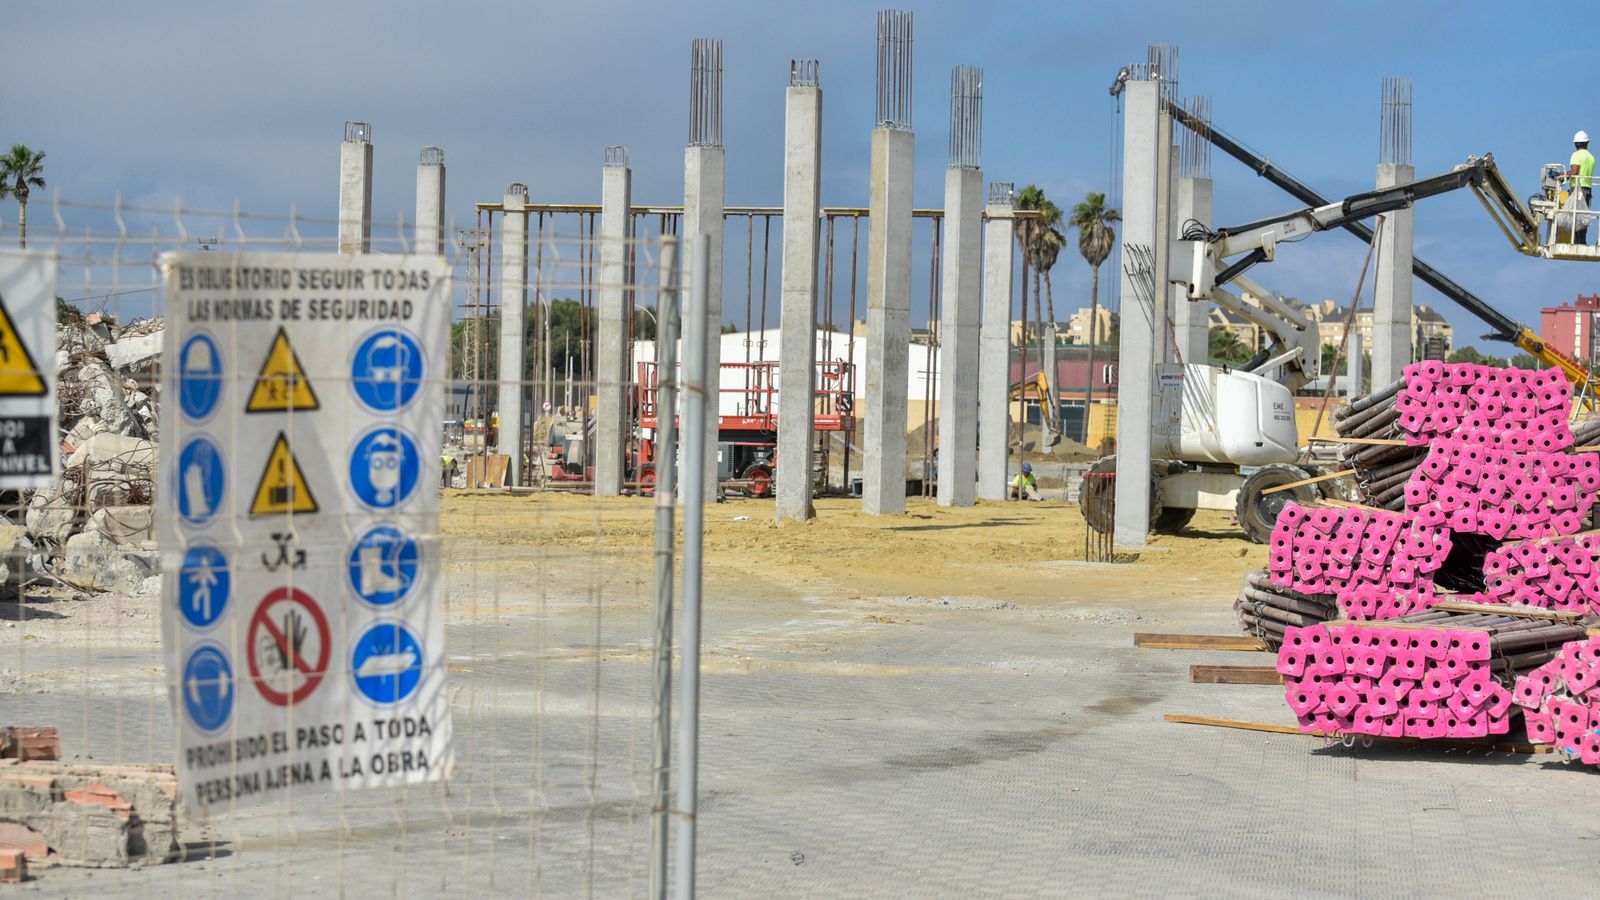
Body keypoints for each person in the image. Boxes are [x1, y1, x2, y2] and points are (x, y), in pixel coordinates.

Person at [1571, 130, 1595, 244]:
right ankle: (1582, 240)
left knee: (1574, 215)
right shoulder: (1591, 157)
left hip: (1577, 188)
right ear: (1587, 143)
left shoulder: (1576, 155)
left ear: (1576, 144)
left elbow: (1574, 171)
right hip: (1587, 190)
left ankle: (1575, 240)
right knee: (1583, 215)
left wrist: (1562, 175)